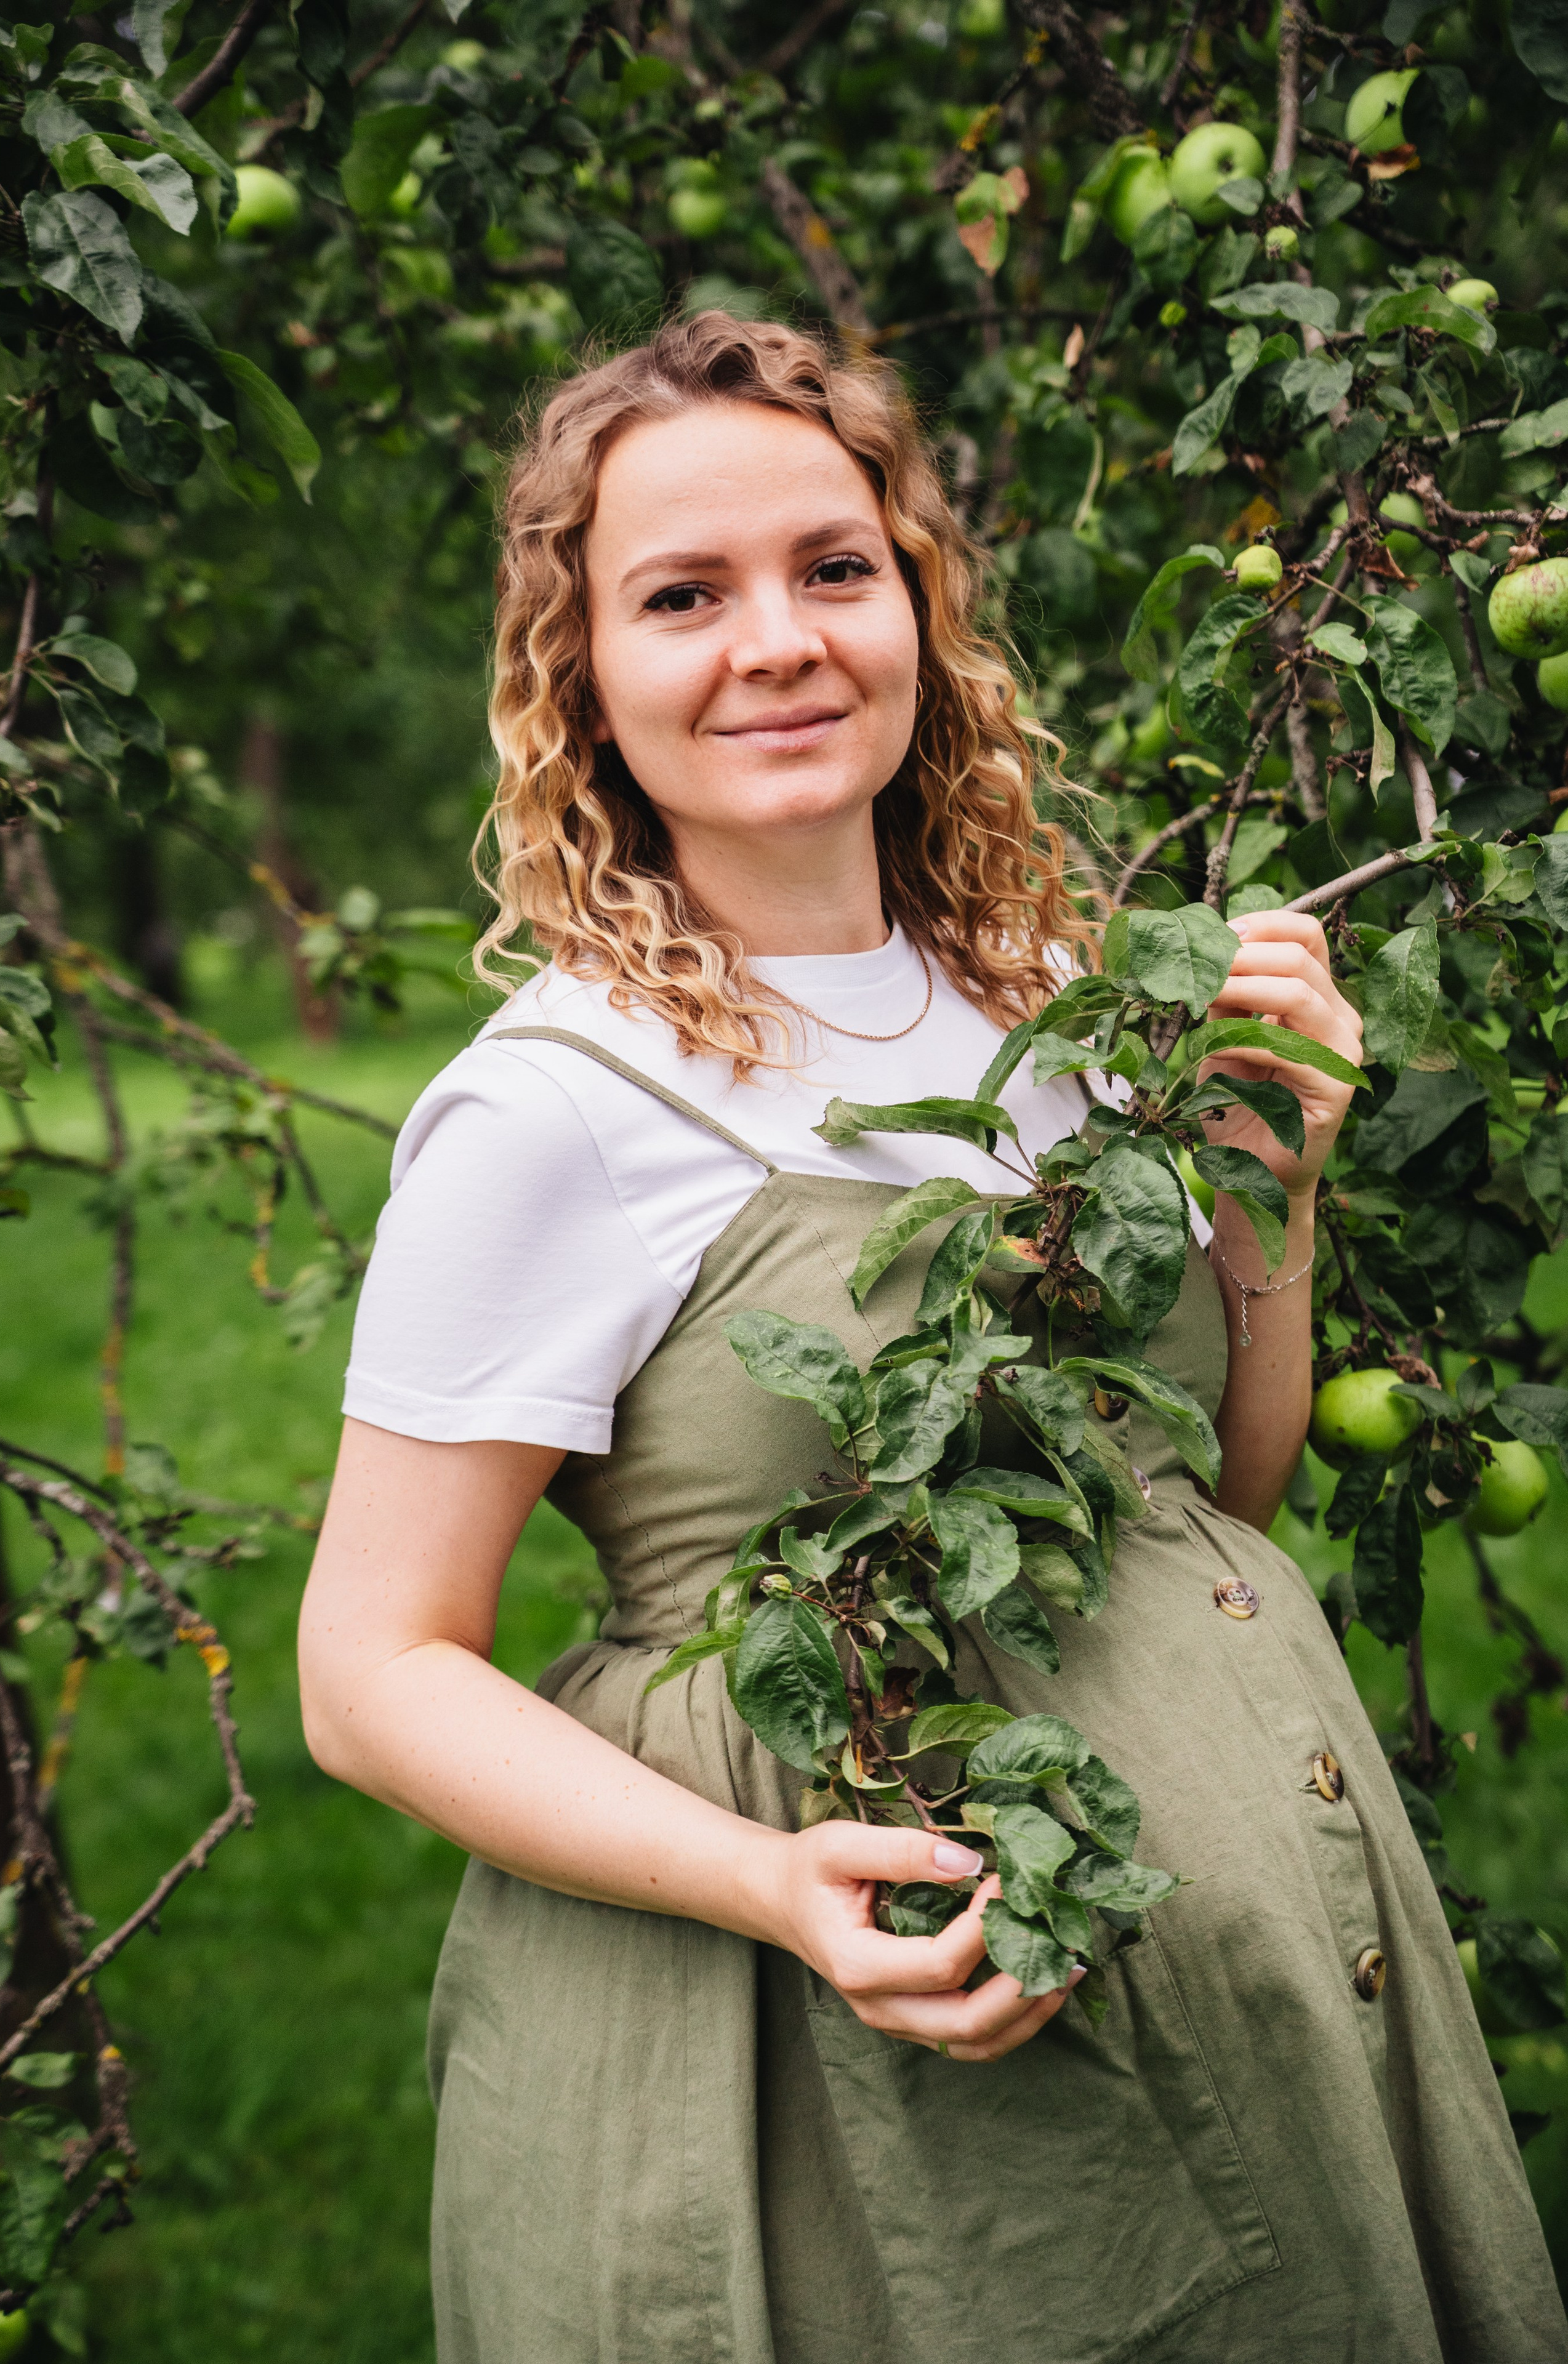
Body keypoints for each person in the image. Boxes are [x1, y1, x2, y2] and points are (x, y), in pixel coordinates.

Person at [297, 312, 1566, 2363]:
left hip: (1252, 1982)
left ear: (917, 605)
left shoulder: (1053, 999)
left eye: (832, 567)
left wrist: (1273, 1181)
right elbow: (369, 1677)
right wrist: (772, 1883)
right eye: (684, 597)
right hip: (854, 2047)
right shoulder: (561, 1106)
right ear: (585, 680)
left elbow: (1190, 1497)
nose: (779, 639)